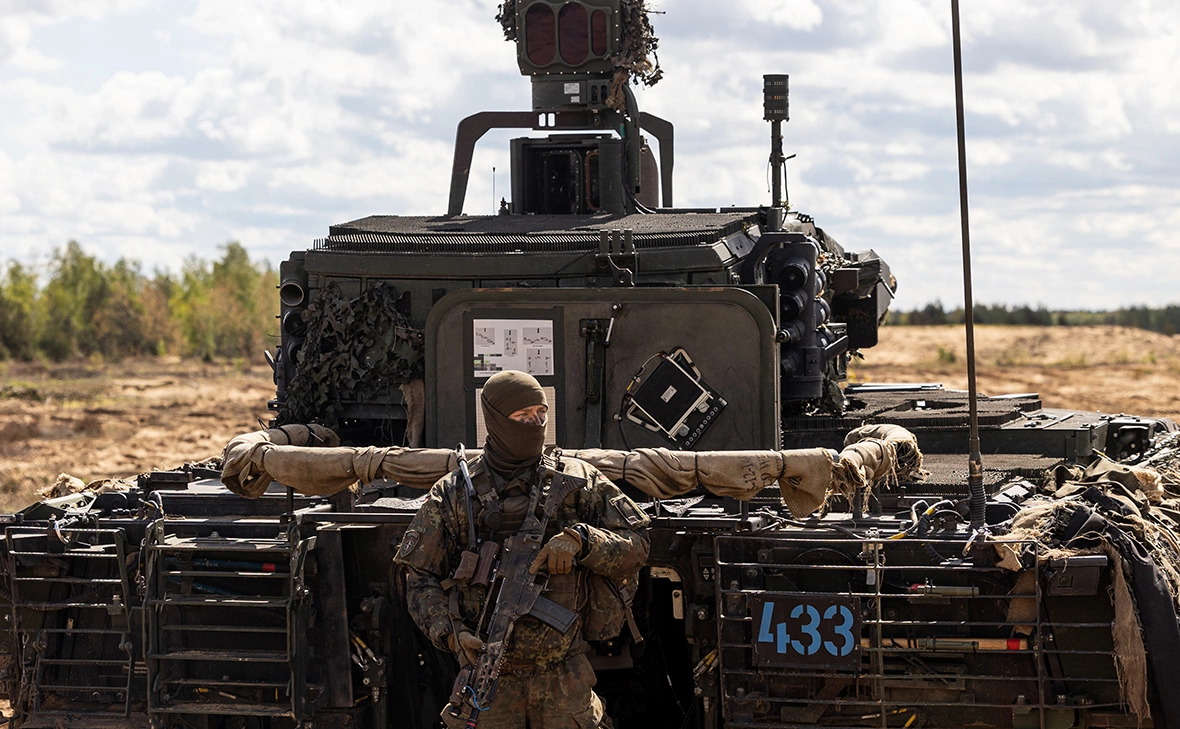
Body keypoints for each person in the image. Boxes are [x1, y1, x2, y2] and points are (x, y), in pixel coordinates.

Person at [394, 370, 650, 729]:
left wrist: (582, 541)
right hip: (491, 681)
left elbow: (637, 544)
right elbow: (419, 577)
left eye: (541, 414)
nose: (535, 424)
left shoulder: (578, 479)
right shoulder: (455, 494)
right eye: (522, 416)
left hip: (564, 676)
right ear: (496, 421)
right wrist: (450, 631)